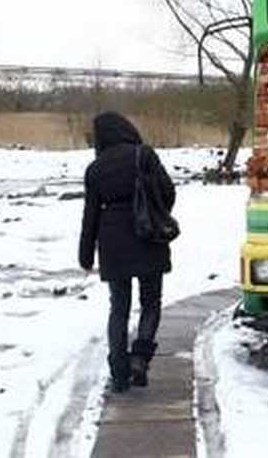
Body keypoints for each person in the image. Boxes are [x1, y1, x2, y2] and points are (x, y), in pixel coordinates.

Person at [78, 111, 176, 393]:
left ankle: (119, 375)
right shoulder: (143, 155)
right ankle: (140, 360)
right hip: (148, 236)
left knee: (118, 308)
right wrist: (156, 213)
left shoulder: (95, 170)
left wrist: (86, 254)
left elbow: (91, 215)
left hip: (113, 243)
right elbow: (168, 191)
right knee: (151, 302)